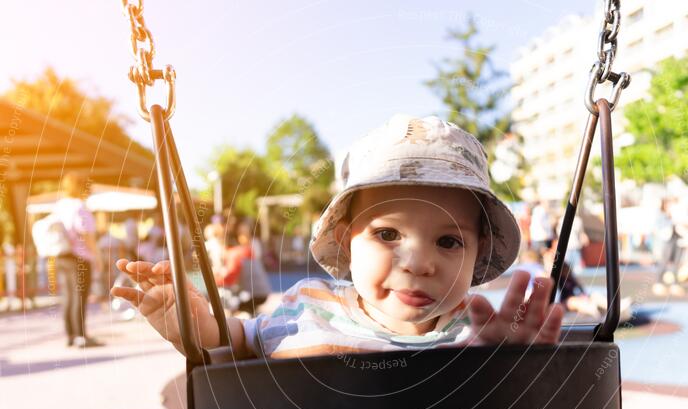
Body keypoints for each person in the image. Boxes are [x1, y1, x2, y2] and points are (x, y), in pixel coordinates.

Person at [111, 114, 564, 360]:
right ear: (347, 242)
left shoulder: (479, 329)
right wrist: (197, 327)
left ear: (479, 251)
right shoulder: (309, 306)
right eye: (388, 233)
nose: (419, 263)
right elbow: (243, 342)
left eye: (449, 242)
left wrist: (510, 363)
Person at [52, 172, 104, 348]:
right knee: (79, 296)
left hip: (61, 255)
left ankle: (70, 335)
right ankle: (81, 336)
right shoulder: (78, 206)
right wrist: (97, 257)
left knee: (67, 296)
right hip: (79, 257)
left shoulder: (60, 205)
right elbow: (85, 233)